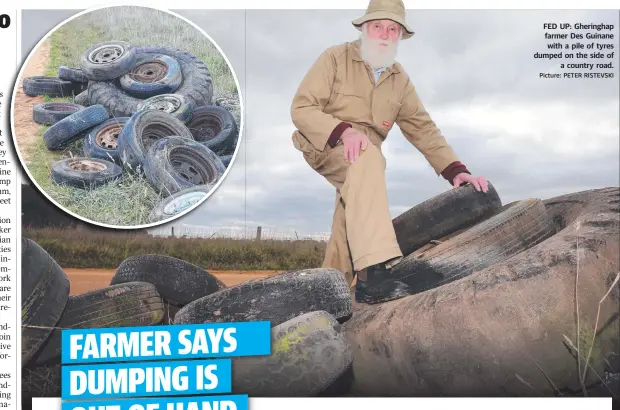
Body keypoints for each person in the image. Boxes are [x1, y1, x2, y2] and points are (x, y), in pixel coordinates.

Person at [290, 0, 488, 304]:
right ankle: (372, 273)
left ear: (399, 36)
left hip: (365, 161)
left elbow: (423, 128)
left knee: (353, 207)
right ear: (364, 28)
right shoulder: (334, 58)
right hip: (325, 143)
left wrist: (455, 170)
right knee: (368, 161)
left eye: (392, 29)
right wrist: (344, 130)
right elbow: (302, 107)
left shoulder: (399, 80)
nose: (384, 34)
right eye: (378, 26)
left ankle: (331, 291)